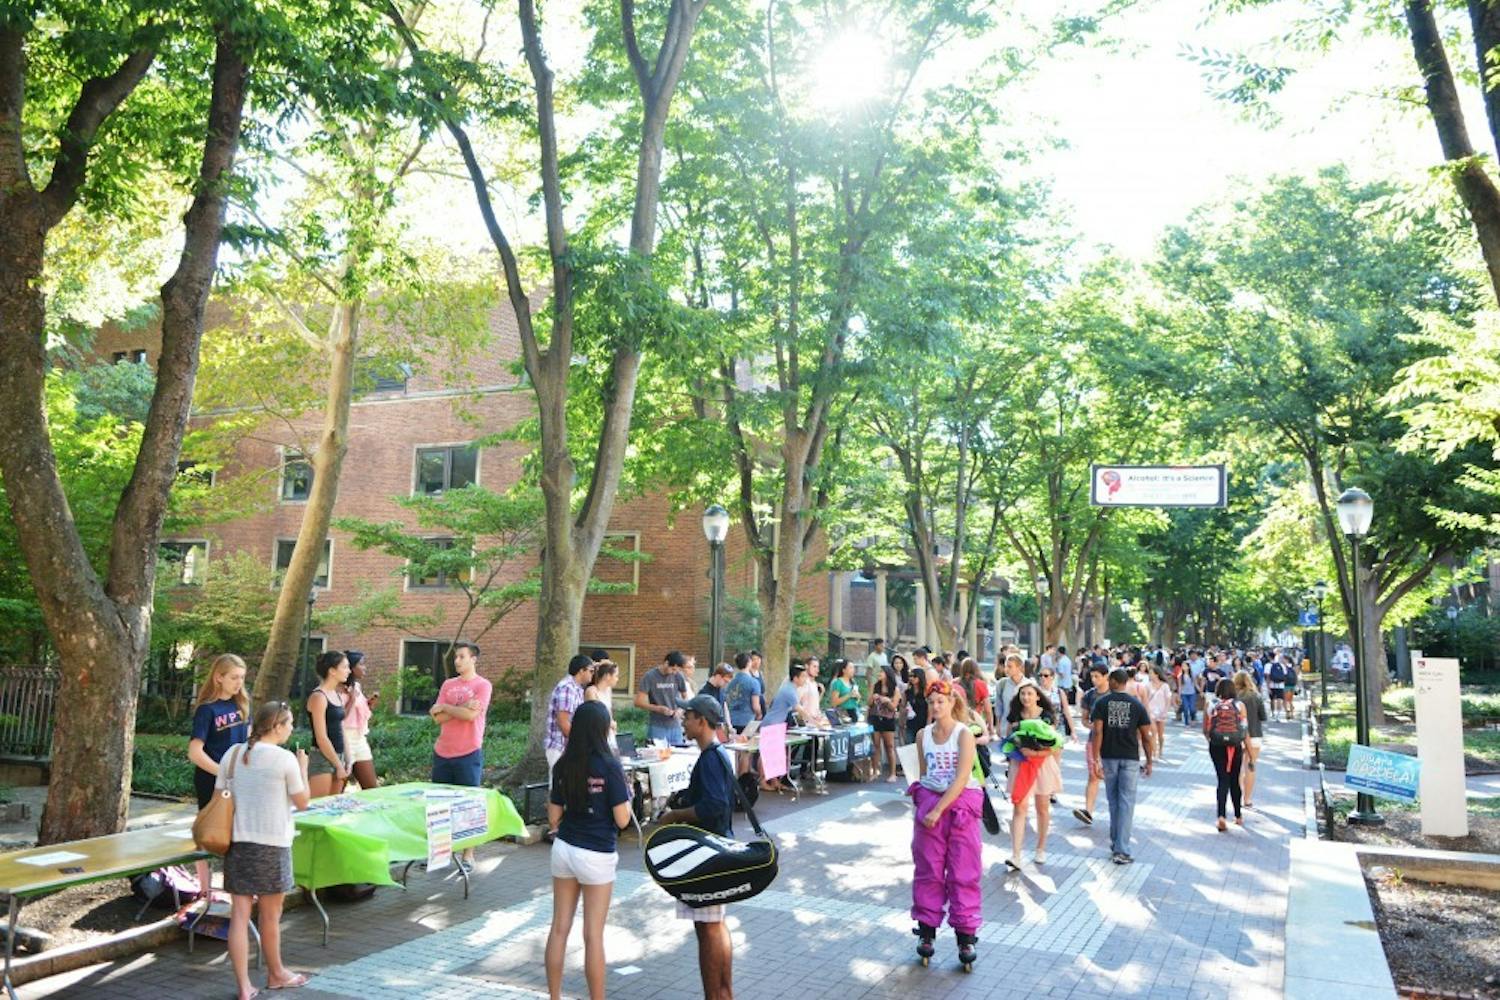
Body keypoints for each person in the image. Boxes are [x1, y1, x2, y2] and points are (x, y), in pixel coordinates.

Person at [222, 701, 311, 1000]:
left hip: (237, 843)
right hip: (273, 844)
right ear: (276, 726)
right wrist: (303, 768)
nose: (291, 729)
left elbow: (220, 798)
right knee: (270, 916)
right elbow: (302, 802)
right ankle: (276, 973)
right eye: (289, 724)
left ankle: (243, 987)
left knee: (239, 914)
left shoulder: (232, 754)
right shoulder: (285, 760)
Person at [545, 701, 631, 1000]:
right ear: (603, 729)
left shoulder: (563, 765)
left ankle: (554, 997)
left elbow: (553, 816)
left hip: (565, 848)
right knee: (593, 935)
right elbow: (622, 819)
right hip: (597, 854)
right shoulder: (610, 765)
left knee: (559, 928)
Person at [658, 696, 737, 1000]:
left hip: (708, 855)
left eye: (688, 715)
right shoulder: (715, 754)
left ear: (702, 720)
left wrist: (675, 816)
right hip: (715, 850)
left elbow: (714, 806)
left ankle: (716, 995)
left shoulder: (710, 758)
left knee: (709, 928)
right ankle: (722, 993)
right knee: (714, 925)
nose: (683, 719)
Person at [908, 679, 983, 970]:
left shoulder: (964, 734)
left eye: (941, 701)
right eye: (932, 702)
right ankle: (926, 932)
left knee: (964, 870)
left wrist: (939, 809)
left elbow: (962, 777)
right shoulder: (922, 735)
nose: (936, 706)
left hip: (960, 806)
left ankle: (966, 935)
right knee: (928, 868)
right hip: (931, 804)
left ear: (952, 702)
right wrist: (929, 805)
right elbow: (924, 773)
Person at [187, 652, 250, 897]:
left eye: (242, 678)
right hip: (211, 781)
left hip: (240, 780)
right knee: (209, 833)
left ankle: (236, 886)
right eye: (234, 677)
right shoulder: (207, 710)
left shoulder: (241, 705)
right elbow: (195, 751)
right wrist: (222, 772)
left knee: (239, 833)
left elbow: (248, 742)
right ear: (218, 677)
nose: (239, 683)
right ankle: (204, 890)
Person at [430, 640, 491, 872]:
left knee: (468, 806)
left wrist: (448, 708)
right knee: (440, 806)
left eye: (462, 657)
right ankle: (441, 853)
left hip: (468, 752)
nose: (457, 661)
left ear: (473, 659)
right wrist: (462, 706)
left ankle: (468, 855)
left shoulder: (483, 685)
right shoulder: (448, 684)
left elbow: (470, 717)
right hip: (443, 751)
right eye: (456, 657)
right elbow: (437, 718)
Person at [1089, 668, 1154, 864]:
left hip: (1109, 756)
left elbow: (1097, 733)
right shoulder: (1137, 705)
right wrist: (1149, 760)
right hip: (1131, 758)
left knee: (1114, 802)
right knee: (1126, 802)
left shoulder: (1102, 703)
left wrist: (1095, 759)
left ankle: (1116, 843)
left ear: (1114, 682)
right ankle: (1122, 848)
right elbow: (1146, 736)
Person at [1005, 682, 1063, 870]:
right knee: (1019, 808)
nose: (1026, 697)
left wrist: (1036, 754)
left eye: (1030, 693)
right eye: (1023, 694)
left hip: (1042, 765)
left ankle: (1041, 848)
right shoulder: (1014, 716)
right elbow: (1007, 739)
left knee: (1042, 807)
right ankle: (1016, 855)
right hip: (1020, 765)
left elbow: (1055, 745)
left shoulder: (1046, 717)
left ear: (1037, 696)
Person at [1204, 677, 1248, 830]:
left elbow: (1206, 729)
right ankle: (1238, 815)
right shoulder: (1239, 705)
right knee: (1235, 780)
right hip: (1235, 746)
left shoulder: (1211, 704)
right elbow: (1244, 728)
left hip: (1217, 745)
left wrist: (1212, 740)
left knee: (1222, 779)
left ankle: (1221, 816)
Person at [306, 650, 351, 798]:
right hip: (322, 758)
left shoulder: (337, 694)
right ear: (332, 671)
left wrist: (348, 758)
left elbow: (341, 728)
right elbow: (321, 737)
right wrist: (338, 765)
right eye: (345, 667)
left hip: (339, 755)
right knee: (318, 808)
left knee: (332, 807)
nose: (348, 671)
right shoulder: (319, 696)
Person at [547, 655, 595, 779]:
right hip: (560, 747)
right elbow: (563, 722)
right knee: (558, 791)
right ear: (581, 670)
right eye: (591, 671)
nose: (592, 674)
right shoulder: (567, 688)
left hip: (568, 747)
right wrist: (578, 742)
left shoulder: (577, 688)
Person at [340, 650, 379, 790]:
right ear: (351, 668)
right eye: (361, 664)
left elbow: (358, 711)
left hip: (360, 738)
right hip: (344, 738)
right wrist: (351, 699)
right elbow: (340, 717)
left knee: (371, 788)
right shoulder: (338, 689)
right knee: (337, 791)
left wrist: (369, 704)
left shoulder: (356, 687)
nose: (365, 667)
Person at [635, 651, 692, 744]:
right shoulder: (650, 676)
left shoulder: (678, 676)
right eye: (673, 669)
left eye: (677, 670)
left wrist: (680, 710)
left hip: (675, 725)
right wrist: (658, 709)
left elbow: (686, 698)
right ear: (666, 663)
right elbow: (638, 702)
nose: (674, 673)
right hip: (657, 726)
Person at [1232, 670, 1268, 808]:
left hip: (1238, 736)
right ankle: (1247, 799)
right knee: (1250, 766)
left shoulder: (1234, 697)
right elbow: (1263, 717)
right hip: (1255, 735)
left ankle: (1238, 796)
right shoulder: (1256, 696)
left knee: (1237, 767)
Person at [869, 660, 902, 781]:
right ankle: (874, 770)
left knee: (889, 746)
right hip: (875, 717)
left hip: (888, 718)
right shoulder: (875, 686)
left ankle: (892, 773)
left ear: (887, 674)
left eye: (881, 672)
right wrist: (873, 698)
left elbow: (894, 706)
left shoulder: (895, 689)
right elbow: (869, 703)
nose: (879, 674)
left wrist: (886, 700)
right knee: (876, 745)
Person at [583, 659, 620, 749]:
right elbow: (593, 715)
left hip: (609, 732)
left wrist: (613, 727)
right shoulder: (591, 691)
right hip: (596, 732)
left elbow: (609, 711)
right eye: (615, 676)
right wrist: (609, 723)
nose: (617, 679)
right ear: (607, 676)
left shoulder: (608, 690)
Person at [724, 652, 762, 737]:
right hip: (747, 721)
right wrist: (759, 714)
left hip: (731, 720)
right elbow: (756, 706)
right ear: (749, 663)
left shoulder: (730, 682)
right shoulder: (754, 682)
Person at [1145, 666, 1173, 758]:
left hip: (1161, 711)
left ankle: (1160, 749)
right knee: (1153, 731)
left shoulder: (1165, 686)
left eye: (1151, 673)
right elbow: (1145, 699)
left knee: (1160, 735)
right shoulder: (1147, 685)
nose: (1150, 675)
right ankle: (1154, 752)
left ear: (1157, 674)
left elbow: (1168, 699)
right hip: (1151, 711)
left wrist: (1166, 711)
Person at [797, 655, 830, 730]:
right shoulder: (803, 683)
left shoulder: (814, 684)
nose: (817, 670)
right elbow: (797, 704)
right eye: (814, 667)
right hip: (808, 724)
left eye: (818, 667)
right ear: (806, 666)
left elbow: (814, 704)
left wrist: (821, 693)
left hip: (817, 722)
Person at [828, 658, 861, 722]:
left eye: (853, 668)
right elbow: (834, 702)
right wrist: (849, 695)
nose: (853, 670)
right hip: (842, 714)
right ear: (844, 670)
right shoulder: (838, 682)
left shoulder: (853, 682)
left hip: (853, 712)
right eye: (850, 668)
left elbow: (857, 700)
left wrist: (858, 696)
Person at [907, 667, 929, 745]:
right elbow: (903, 706)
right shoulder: (908, 691)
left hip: (922, 721)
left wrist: (928, 724)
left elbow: (930, 708)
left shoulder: (926, 691)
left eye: (914, 676)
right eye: (910, 676)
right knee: (909, 744)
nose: (912, 678)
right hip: (911, 721)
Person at [1266, 655, 1287, 721]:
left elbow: (1268, 677)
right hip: (1281, 686)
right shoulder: (1283, 666)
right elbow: (1285, 676)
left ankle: (1273, 712)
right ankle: (1278, 714)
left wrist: (1268, 687)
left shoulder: (1269, 665)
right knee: (1279, 699)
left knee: (1272, 699)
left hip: (1272, 685)